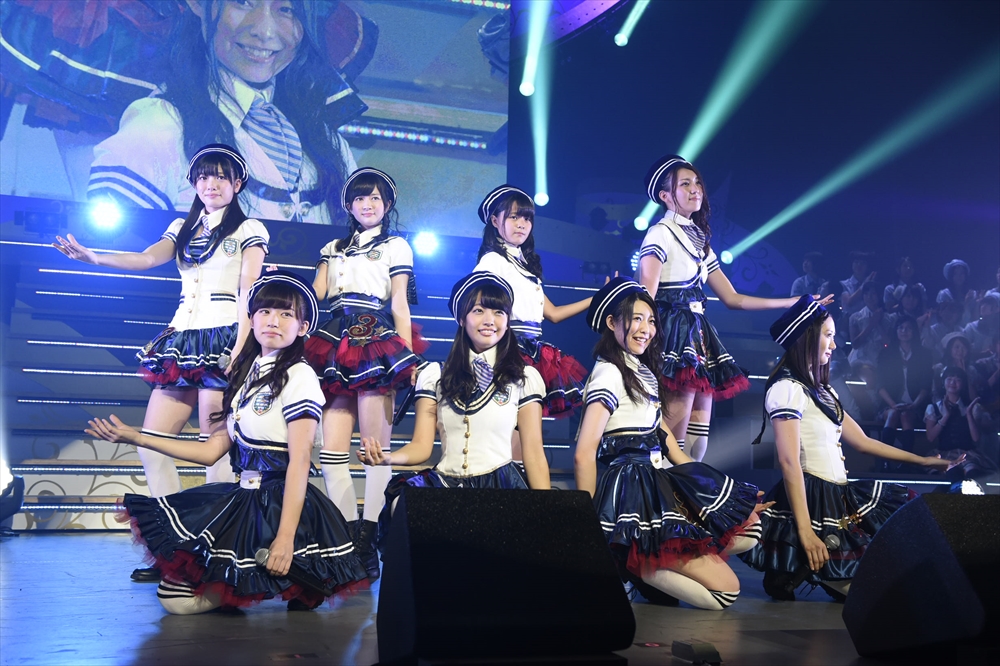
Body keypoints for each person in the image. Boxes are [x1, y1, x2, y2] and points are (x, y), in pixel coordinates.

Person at [86, 271, 367, 614]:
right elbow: (211, 451)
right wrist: (137, 437)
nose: (273, 321)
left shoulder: (300, 375)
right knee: (173, 590)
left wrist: (284, 538)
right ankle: (257, 585)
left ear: (302, 327)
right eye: (264, 311)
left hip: (278, 506)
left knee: (177, 600)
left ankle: (284, 578)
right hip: (244, 495)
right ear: (251, 319)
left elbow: (299, 462)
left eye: (286, 314)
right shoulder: (247, 375)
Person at [54, 144, 266, 582]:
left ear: (237, 183)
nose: (211, 184)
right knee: (150, 443)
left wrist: (241, 349)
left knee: (215, 449)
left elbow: (250, 292)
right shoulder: (181, 226)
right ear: (194, 184)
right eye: (203, 176)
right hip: (181, 338)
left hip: (226, 337)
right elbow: (148, 258)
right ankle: (173, 548)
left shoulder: (250, 229)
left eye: (220, 176)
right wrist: (94, 257)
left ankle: (216, 550)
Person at [740, 296, 954, 601]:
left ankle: (796, 571)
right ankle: (797, 566)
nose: (834, 344)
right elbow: (789, 462)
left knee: (885, 570)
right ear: (806, 338)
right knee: (872, 593)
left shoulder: (823, 389)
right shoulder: (786, 388)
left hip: (838, 493)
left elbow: (864, 442)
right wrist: (806, 531)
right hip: (813, 496)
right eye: (828, 335)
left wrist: (923, 461)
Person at [574, 278, 762, 610]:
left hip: (658, 480)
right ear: (612, 323)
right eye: (636, 319)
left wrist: (726, 494)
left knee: (750, 530)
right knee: (726, 593)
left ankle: (647, 559)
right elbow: (584, 452)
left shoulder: (642, 372)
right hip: (632, 488)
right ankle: (635, 564)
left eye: (651, 320)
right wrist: (587, 521)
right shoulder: (609, 373)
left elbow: (673, 449)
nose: (646, 329)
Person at [88, 0, 362, 223]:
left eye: (286, 9)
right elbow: (116, 256)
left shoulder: (329, 143)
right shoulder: (160, 124)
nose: (265, 31)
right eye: (243, 2)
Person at [636, 155, 826, 462]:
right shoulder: (660, 233)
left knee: (698, 440)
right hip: (674, 334)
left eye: (697, 182)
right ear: (665, 196)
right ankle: (665, 488)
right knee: (674, 438)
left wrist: (791, 301)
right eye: (685, 184)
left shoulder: (699, 240)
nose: (695, 189)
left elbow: (733, 298)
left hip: (698, 334)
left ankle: (688, 488)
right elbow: (646, 294)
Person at [359, 272, 551, 542]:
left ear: (508, 321)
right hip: (445, 483)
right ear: (462, 319)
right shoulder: (434, 375)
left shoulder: (524, 378)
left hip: (500, 486)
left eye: (499, 312)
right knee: (402, 506)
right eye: (478, 310)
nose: (489, 320)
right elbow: (422, 447)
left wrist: (548, 512)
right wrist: (386, 459)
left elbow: (533, 453)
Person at [303, 167, 426, 580]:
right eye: (359, 198)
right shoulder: (332, 247)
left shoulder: (396, 245)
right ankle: (345, 536)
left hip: (375, 338)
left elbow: (399, 303)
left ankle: (368, 540)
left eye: (375, 198)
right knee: (331, 450)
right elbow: (317, 293)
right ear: (348, 206)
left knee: (376, 448)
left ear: (387, 205)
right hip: (334, 338)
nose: (367, 204)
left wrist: (406, 357)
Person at [473, 186, 591, 452]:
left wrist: (596, 299)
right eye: (513, 216)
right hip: (507, 350)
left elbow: (553, 314)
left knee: (525, 434)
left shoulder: (524, 265)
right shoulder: (493, 261)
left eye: (526, 218)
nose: (522, 224)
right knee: (509, 432)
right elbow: (476, 309)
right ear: (495, 221)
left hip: (532, 350)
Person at [924, 367, 997, 478]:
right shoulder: (934, 408)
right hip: (945, 452)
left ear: (963, 384)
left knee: (972, 472)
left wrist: (969, 414)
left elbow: (976, 439)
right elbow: (930, 437)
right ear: (943, 382)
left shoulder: (971, 407)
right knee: (951, 472)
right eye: (949, 379)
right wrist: (945, 416)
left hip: (968, 453)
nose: (953, 383)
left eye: (957, 380)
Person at [876, 316, 933, 456]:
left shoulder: (924, 354)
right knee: (893, 414)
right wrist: (893, 404)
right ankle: (884, 459)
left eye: (908, 328)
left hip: (916, 404)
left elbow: (926, 386)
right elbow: (880, 385)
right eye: (901, 328)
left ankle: (907, 458)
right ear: (896, 331)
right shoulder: (886, 354)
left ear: (914, 331)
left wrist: (914, 404)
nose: (904, 331)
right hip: (890, 403)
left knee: (906, 415)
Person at [847, 282, 890, 369]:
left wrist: (878, 324)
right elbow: (855, 344)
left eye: (873, 294)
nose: (869, 297)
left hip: (880, 359)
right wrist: (871, 324)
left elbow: (888, 343)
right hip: (859, 358)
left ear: (879, 295)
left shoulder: (889, 318)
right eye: (866, 294)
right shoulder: (855, 317)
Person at [937, 259, 976, 326]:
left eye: (962, 273)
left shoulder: (972, 294)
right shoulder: (944, 294)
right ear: (951, 276)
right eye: (955, 273)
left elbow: (975, 318)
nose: (959, 276)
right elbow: (943, 318)